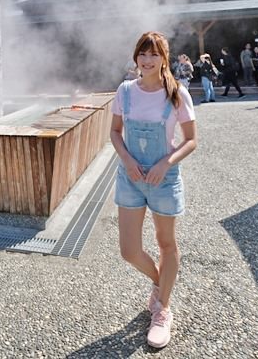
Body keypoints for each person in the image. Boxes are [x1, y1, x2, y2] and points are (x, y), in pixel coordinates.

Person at [110, 31, 197, 349]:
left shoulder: (177, 94)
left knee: (166, 244)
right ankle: (162, 286)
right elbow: (115, 132)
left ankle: (163, 310)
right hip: (130, 177)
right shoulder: (125, 91)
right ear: (136, 57)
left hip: (165, 179)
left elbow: (191, 140)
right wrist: (127, 158)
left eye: (154, 55)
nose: (147, 61)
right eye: (142, 54)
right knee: (129, 250)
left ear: (164, 59)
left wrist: (165, 163)